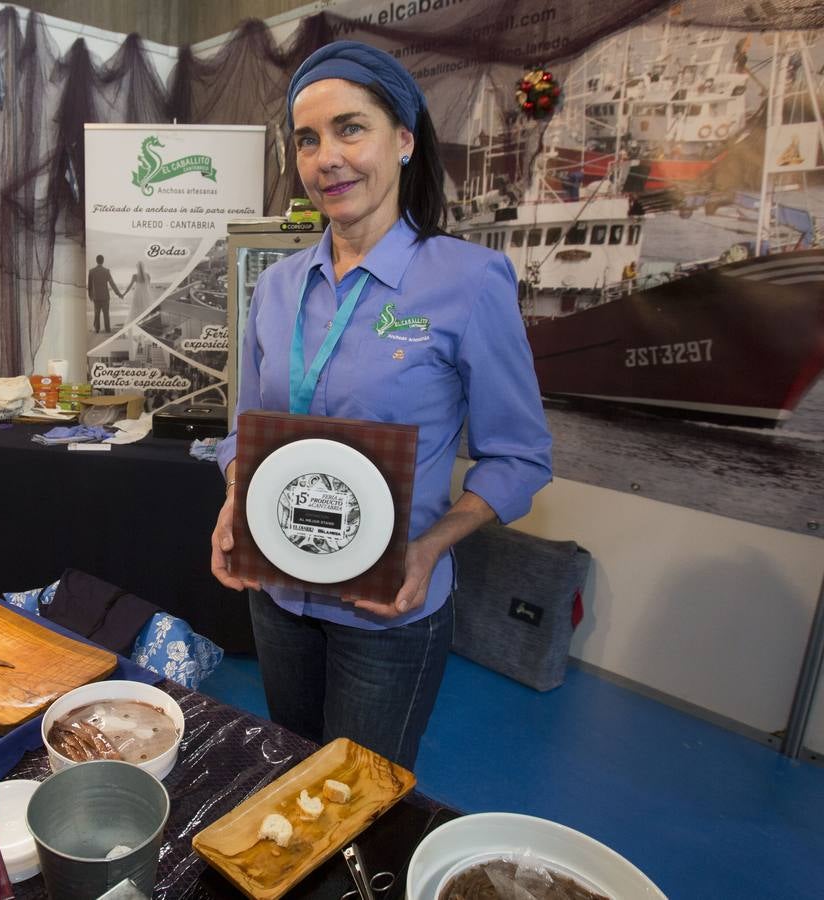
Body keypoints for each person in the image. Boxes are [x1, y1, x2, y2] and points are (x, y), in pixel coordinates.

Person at [210, 41, 552, 770]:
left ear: (403, 141)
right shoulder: (276, 287)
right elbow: (244, 427)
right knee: (296, 773)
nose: (326, 156)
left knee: (361, 798)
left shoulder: (469, 281)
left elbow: (519, 456)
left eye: (350, 128)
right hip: (277, 596)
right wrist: (235, 493)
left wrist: (432, 547)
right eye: (308, 139)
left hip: (387, 608)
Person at [86, 254, 124, 334]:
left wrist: (90, 296)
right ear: (103, 261)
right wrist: (119, 294)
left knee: (97, 314)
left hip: (96, 297)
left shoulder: (91, 271)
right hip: (105, 297)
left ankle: (97, 330)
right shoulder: (106, 271)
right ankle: (107, 329)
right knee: (106, 314)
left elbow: (89, 286)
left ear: (96, 261)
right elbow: (112, 284)